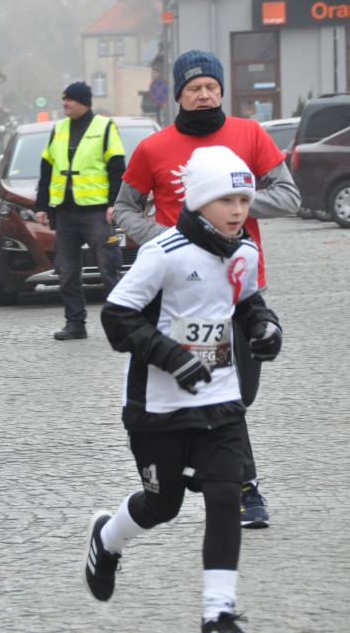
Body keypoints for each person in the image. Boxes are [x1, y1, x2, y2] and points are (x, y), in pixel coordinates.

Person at [86, 146, 282, 633]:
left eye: (244, 199)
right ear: (197, 202)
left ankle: (217, 613)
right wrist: (174, 359)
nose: (239, 210)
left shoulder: (245, 252)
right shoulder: (164, 254)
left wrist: (265, 328)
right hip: (159, 409)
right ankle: (107, 540)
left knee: (224, 496)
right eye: (226, 200)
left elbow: (248, 304)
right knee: (163, 505)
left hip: (221, 402)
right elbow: (117, 318)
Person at [114, 49, 301, 528]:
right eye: (194, 88)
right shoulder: (154, 148)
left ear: (221, 90)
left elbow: (289, 196)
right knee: (217, 386)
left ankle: (217, 469)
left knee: (243, 387)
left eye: (211, 87)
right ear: (179, 94)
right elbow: (124, 211)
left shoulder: (249, 134)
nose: (203, 95)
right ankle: (240, 484)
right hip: (177, 293)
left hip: (237, 285)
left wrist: (230, 204)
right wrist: (174, 242)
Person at [34, 81, 126, 340]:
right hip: (64, 213)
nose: (64, 103)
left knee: (109, 268)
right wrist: (41, 205)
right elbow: (47, 169)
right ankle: (75, 324)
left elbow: (117, 168)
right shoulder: (59, 129)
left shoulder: (105, 127)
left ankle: (119, 323)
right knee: (67, 271)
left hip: (96, 213)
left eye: (70, 99)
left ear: (84, 102)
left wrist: (113, 204)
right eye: (63, 99)